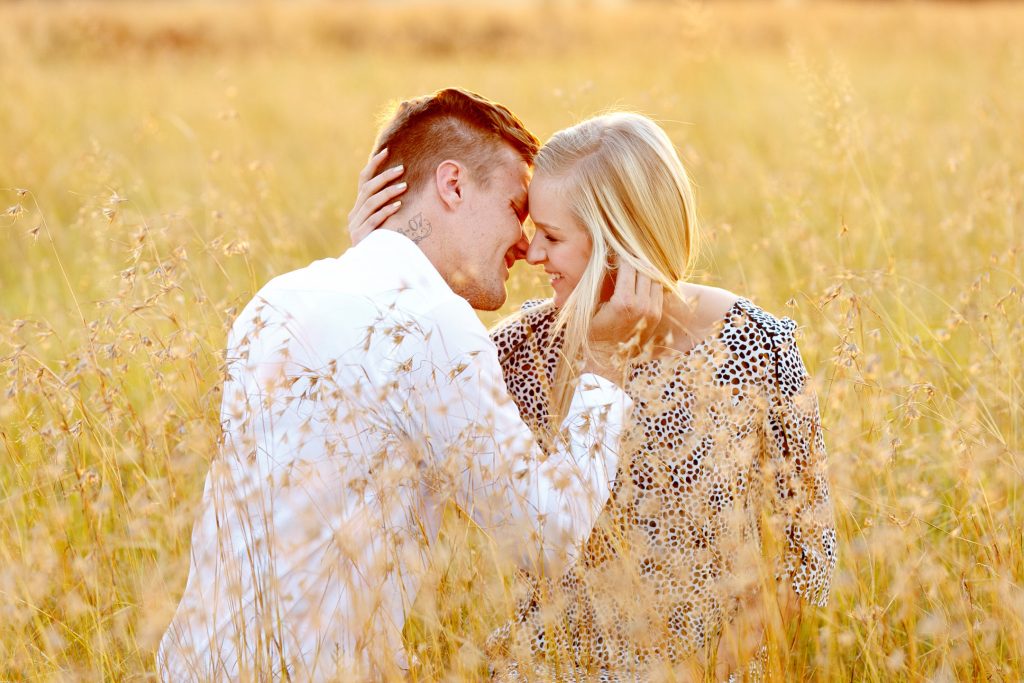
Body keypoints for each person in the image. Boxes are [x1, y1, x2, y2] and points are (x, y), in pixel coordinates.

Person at [158, 89, 662, 682]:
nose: (525, 245)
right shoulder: (427, 325)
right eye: (513, 207)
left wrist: (376, 249)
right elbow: (547, 541)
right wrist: (603, 364)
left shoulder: (278, 299)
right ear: (452, 185)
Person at [350, 111, 837, 680]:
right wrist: (372, 257)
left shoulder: (758, 348)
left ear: (619, 243)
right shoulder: (524, 350)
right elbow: (386, 396)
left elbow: (806, 561)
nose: (531, 255)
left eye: (552, 237)